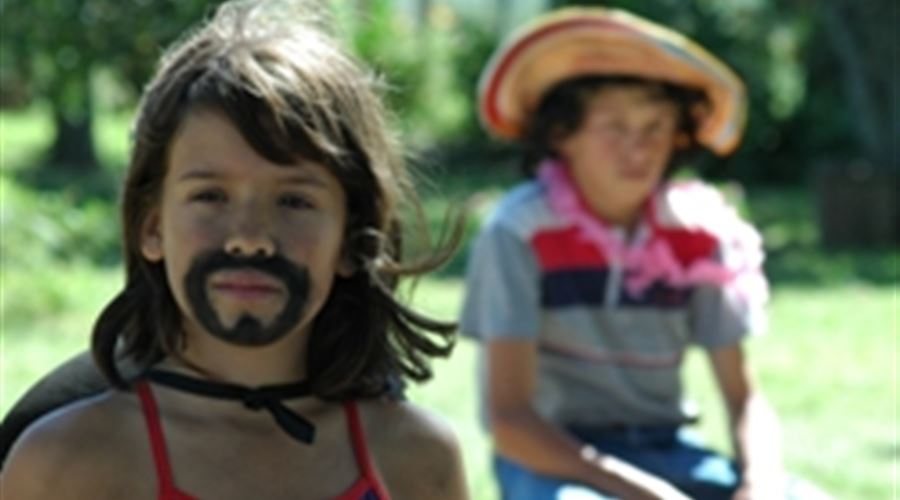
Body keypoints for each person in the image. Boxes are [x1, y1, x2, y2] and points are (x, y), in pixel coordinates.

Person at [0, 1, 469, 498]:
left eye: (294, 201)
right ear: (151, 226)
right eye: (210, 196)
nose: (250, 237)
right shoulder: (67, 464)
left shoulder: (416, 460)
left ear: (353, 240)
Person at [460, 7, 828, 500]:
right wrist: (642, 492)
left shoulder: (700, 233)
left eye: (656, 127)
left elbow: (744, 398)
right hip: (556, 460)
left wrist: (759, 484)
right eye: (614, 127)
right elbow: (511, 422)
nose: (638, 148)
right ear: (561, 134)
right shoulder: (517, 232)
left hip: (670, 448)